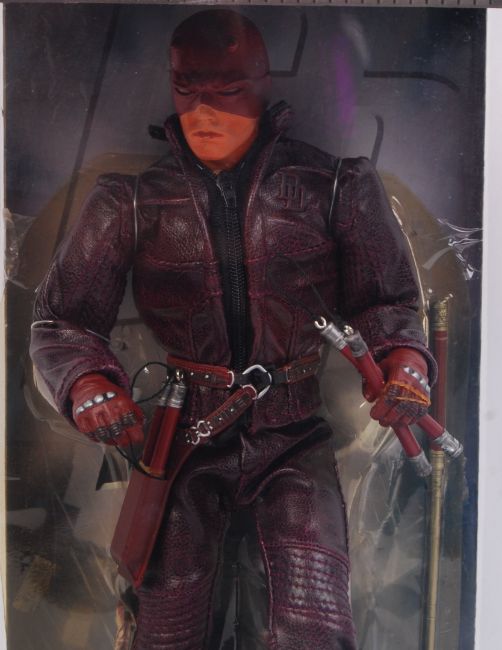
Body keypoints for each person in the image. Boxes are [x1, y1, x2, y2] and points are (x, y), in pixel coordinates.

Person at [30, 9, 435, 650]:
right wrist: (87, 386)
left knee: (313, 621)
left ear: (264, 82)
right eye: (187, 88)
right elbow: (64, 318)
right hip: (182, 437)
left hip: (295, 434)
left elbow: (388, 301)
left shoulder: (334, 187)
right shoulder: (130, 201)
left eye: (228, 89)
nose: (204, 112)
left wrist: (405, 364)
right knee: (167, 624)